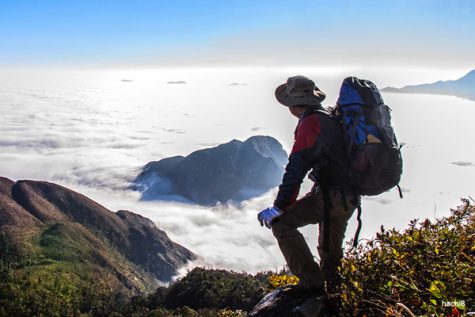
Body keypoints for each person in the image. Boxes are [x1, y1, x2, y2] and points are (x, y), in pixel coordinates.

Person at [258, 75, 360, 300]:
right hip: (349, 196)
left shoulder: (311, 123)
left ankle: (312, 285)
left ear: (294, 105)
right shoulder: (330, 117)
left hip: (331, 196)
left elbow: (296, 168)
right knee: (330, 254)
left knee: (282, 225)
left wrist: (279, 207)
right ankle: (334, 298)